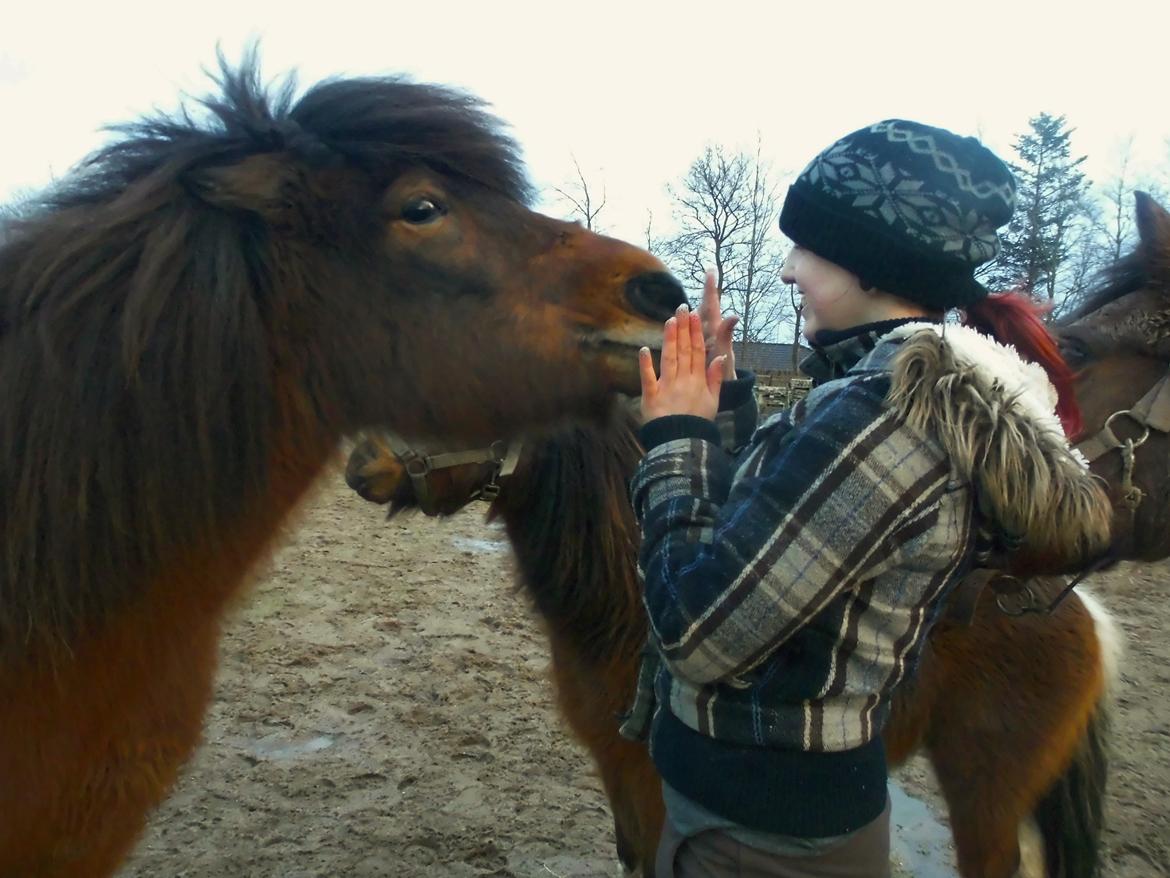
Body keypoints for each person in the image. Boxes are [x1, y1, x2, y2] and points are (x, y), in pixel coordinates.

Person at [622, 119, 1114, 877]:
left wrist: (677, 439)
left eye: (806, 249)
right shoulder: (871, 401)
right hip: (775, 810)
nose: (787, 272)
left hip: (760, 832)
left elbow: (702, 633)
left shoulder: (879, 417)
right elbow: (769, 542)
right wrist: (721, 411)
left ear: (872, 265)